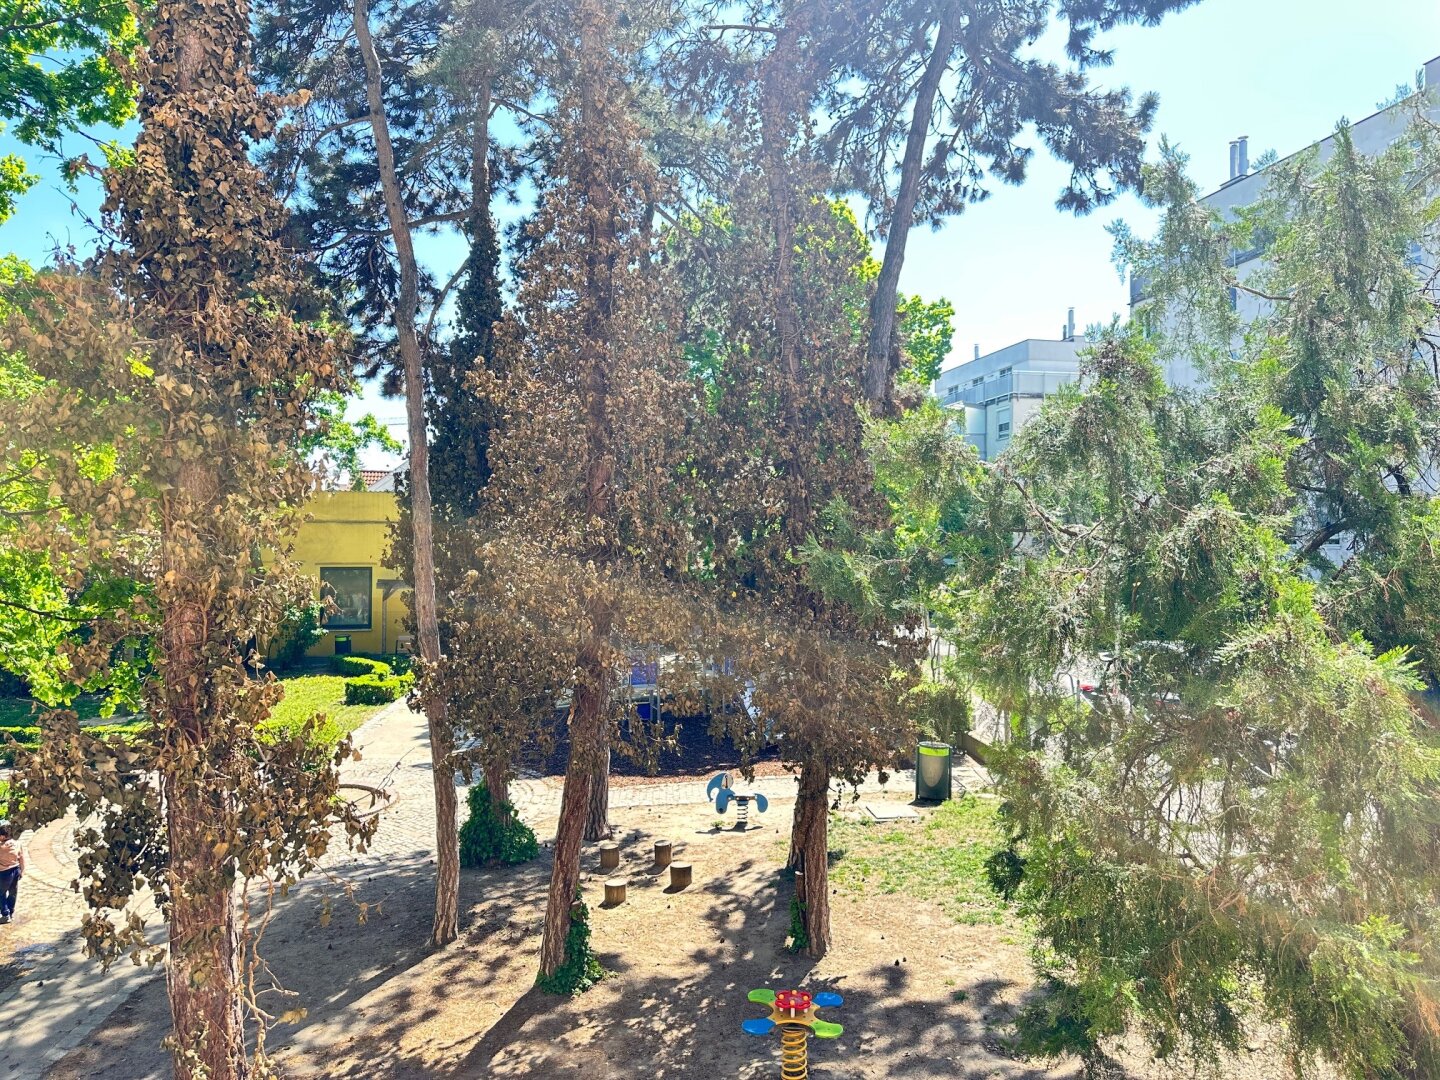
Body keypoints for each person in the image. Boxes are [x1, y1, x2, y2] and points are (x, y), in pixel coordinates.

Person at [0, 823, 26, 924]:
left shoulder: (1, 847)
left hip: (4, 873)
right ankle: (10, 912)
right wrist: (22, 872)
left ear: (3, 836)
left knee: (1, 893)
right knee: (13, 893)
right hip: (16, 870)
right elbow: (22, 858)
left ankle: (5, 914)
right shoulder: (17, 844)